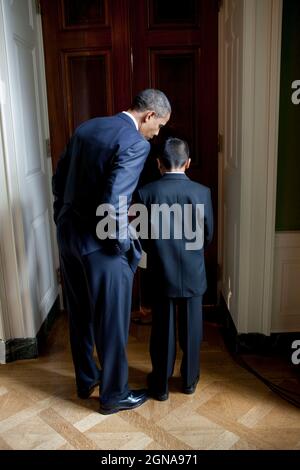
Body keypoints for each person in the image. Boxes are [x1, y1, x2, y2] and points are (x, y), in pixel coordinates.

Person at [52, 89, 171, 414]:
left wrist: (60, 215)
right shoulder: (137, 143)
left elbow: (59, 177)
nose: (157, 134)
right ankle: (114, 395)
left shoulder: (87, 128)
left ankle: (86, 380)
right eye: (158, 126)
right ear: (148, 116)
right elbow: (114, 202)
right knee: (112, 320)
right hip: (102, 244)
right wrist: (125, 248)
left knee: (79, 313)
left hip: (68, 236)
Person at [137, 137, 213, 401]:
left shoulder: (146, 193)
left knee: (162, 331)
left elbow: (143, 237)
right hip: (193, 272)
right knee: (192, 330)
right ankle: (190, 381)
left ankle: (160, 385)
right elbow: (208, 235)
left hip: (161, 273)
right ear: (188, 163)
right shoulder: (202, 193)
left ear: (159, 164)